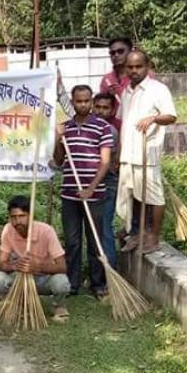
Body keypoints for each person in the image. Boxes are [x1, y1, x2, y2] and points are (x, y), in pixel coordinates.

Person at [53, 85, 113, 298]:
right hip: (69, 193)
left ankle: (98, 284)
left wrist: (90, 188)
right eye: (79, 101)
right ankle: (72, 283)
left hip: (95, 194)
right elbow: (59, 160)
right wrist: (57, 139)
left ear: (91, 101)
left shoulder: (102, 127)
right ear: (73, 101)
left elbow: (105, 163)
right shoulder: (65, 127)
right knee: (72, 241)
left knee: (95, 240)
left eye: (87, 101)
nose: (83, 105)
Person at [117, 50, 178, 254]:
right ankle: (139, 233)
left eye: (138, 66)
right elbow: (122, 122)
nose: (134, 71)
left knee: (154, 197)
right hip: (129, 154)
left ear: (147, 66)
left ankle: (154, 236)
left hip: (147, 154)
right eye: (130, 67)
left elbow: (171, 116)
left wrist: (153, 118)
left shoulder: (157, 89)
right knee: (134, 195)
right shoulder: (126, 91)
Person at [0, 196, 71, 322]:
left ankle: (58, 305)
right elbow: (2, 263)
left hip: (43, 279)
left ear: (30, 216)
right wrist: (15, 266)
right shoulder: (8, 230)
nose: (17, 221)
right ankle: (19, 301)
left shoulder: (46, 231)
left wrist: (38, 266)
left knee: (61, 283)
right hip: (20, 278)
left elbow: (62, 266)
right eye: (13, 217)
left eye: (22, 216)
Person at [93, 93, 120, 267]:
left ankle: (109, 270)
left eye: (106, 108)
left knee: (104, 228)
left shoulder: (109, 131)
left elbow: (104, 162)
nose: (101, 111)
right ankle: (99, 269)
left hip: (107, 184)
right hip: (92, 183)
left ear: (111, 110)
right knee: (94, 229)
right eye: (98, 107)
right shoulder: (89, 127)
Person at [99, 37, 133, 118]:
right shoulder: (106, 79)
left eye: (120, 51)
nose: (116, 55)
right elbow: (102, 109)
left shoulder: (143, 76)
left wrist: (121, 93)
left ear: (131, 52)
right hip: (112, 128)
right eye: (112, 53)